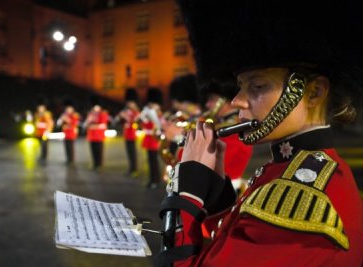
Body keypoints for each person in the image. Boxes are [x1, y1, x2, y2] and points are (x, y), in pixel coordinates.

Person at [155, 1, 363, 266]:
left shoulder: (302, 199)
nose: (237, 101)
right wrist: (219, 199)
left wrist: (184, 194)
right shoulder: (288, 168)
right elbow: (232, 244)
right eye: (241, 87)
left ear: (314, 92)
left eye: (257, 86)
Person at [140, 87, 164, 189]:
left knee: (154, 161)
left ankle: (155, 180)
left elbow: (159, 126)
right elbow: (144, 125)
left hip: (154, 139)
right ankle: (153, 179)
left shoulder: (158, 113)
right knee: (150, 160)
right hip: (148, 138)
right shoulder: (149, 112)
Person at [118, 88, 140, 177]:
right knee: (129, 153)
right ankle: (131, 168)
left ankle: (134, 169)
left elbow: (134, 121)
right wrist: (121, 117)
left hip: (132, 134)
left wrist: (126, 116)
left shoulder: (136, 112)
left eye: (130, 103)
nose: (128, 104)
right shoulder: (127, 111)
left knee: (133, 152)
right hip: (126, 134)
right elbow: (123, 122)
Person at [83, 97, 109, 170]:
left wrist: (93, 126)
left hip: (99, 136)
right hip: (91, 135)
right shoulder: (90, 114)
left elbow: (103, 125)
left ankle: (99, 165)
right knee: (93, 150)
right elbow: (86, 124)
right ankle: (95, 163)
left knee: (99, 151)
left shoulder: (103, 113)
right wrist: (88, 121)